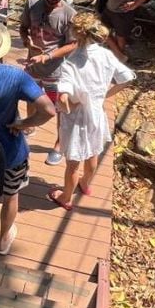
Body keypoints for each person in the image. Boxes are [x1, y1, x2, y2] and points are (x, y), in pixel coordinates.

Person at [0, 17, 56, 254]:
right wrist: (23, 123)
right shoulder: (15, 77)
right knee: (11, 195)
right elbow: (48, 110)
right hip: (11, 152)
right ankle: (4, 239)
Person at [47, 13, 135, 211]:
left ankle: (66, 197)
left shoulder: (71, 62)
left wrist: (67, 106)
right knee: (93, 153)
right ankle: (85, 184)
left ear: (76, 34)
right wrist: (105, 95)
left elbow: (64, 96)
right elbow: (127, 77)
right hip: (97, 112)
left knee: (73, 162)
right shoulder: (105, 55)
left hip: (77, 118)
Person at [20, 0, 77, 166]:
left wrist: (49, 56)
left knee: (58, 107)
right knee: (30, 97)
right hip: (33, 64)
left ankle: (59, 143)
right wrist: (26, 41)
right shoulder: (32, 3)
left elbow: (72, 44)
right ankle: (29, 126)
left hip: (55, 70)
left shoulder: (69, 14)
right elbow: (23, 27)